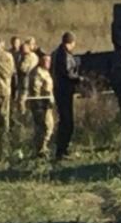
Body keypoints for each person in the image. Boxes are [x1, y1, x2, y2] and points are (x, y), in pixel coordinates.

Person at [52, 31, 83, 161]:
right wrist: (79, 79)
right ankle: (61, 150)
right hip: (64, 91)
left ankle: (63, 149)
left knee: (66, 121)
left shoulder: (57, 53)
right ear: (70, 43)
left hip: (62, 90)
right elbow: (67, 73)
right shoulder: (64, 55)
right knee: (67, 122)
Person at [28, 54, 55, 158]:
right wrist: (40, 104)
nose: (48, 63)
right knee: (45, 126)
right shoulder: (38, 73)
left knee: (48, 126)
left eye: (49, 61)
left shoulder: (45, 72)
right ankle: (41, 149)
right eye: (46, 61)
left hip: (47, 104)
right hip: (41, 104)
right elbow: (36, 90)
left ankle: (43, 147)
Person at [15, 41, 39, 119]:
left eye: (23, 48)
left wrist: (18, 66)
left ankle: (23, 116)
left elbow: (23, 68)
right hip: (26, 81)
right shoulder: (24, 56)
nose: (22, 50)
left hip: (27, 81)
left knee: (22, 100)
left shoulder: (29, 57)